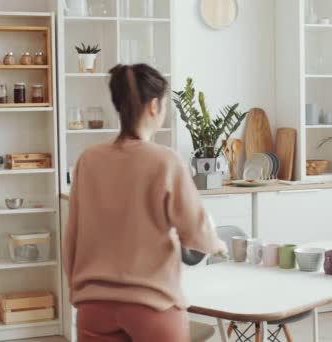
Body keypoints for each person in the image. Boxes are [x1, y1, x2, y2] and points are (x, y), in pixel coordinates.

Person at [62, 64, 227, 342]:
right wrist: (217, 245)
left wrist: (80, 289)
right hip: (152, 306)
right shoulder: (165, 160)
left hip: (94, 306)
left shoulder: (88, 160)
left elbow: (73, 235)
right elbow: (196, 231)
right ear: (153, 106)